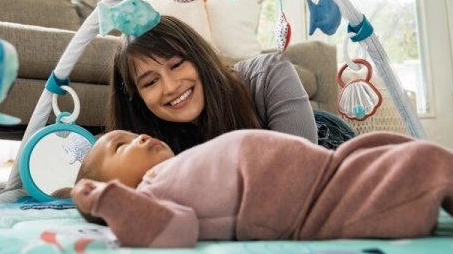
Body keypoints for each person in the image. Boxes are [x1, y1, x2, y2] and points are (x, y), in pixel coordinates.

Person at [71, 128, 453, 248]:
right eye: (121, 146)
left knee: (408, 147)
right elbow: (176, 230)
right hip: (323, 208)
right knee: (428, 165)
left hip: (330, 170)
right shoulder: (150, 196)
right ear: (116, 187)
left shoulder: (177, 166)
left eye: (133, 134)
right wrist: (111, 203)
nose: (141, 138)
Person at [106, 15, 325, 154]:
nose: (171, 87)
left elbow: (299, 172)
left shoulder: (269, 74)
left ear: (199, 57)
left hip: (323, 143)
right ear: (136, 97)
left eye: (177, 65)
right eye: (151, 82)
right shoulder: (144, 141)